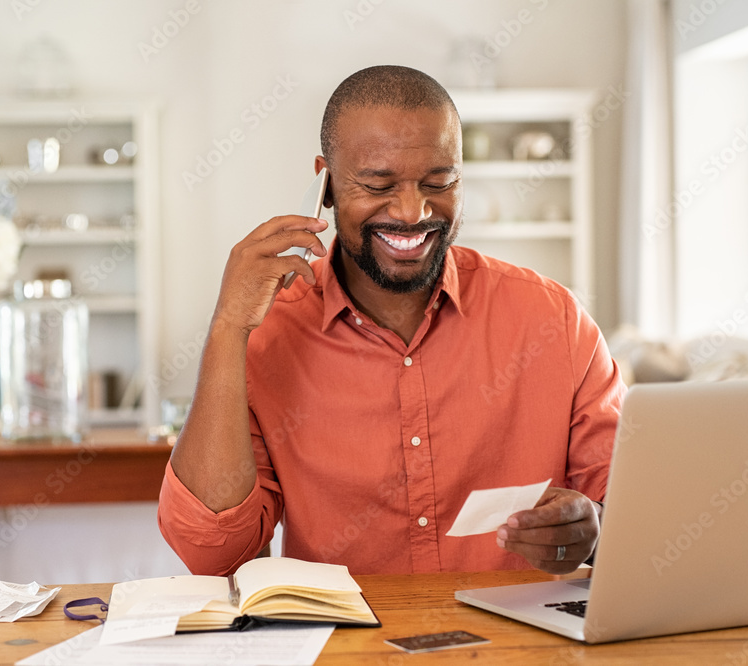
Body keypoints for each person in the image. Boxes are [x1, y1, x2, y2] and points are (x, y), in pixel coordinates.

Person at [158, 65, 626, 576]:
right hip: (342, 648)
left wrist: (594, 529)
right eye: (378, 184)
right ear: (327, 183)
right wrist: (228, 327)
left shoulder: (552, 319)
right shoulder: (267, 331)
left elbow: (636, 520)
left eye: (439, 182)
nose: (411, 211)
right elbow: (212, 553)